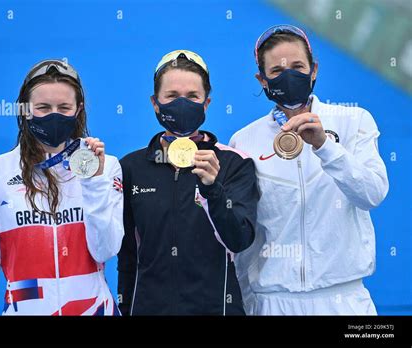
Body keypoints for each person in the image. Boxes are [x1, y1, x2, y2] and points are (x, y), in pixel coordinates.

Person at [229, 25, 389, 315]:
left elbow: (372, 194)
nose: (289, 75)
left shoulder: (354, 121)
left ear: (313, 70)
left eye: (298, 66)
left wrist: (325, 147)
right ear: (262, 80)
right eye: (276, 71)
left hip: (344, 299)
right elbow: (246, 236)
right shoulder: (244, 140)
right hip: (273, 301)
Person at [0, 59, 124, 315]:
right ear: (25, 110)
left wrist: (93, 182)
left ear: (79, 110)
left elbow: (105, 250)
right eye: (43, 107)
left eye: (64, 107)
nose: (54, 115)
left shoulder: (106, 167)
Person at [117, 50, 258, 315]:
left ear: (206, 104)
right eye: (171, 96)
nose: (182, 104)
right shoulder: (131, 168)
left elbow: (240, 240)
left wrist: (212, 190)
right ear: (155, 103)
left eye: (193, 97)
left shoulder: (233, 164)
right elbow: (126, 256)